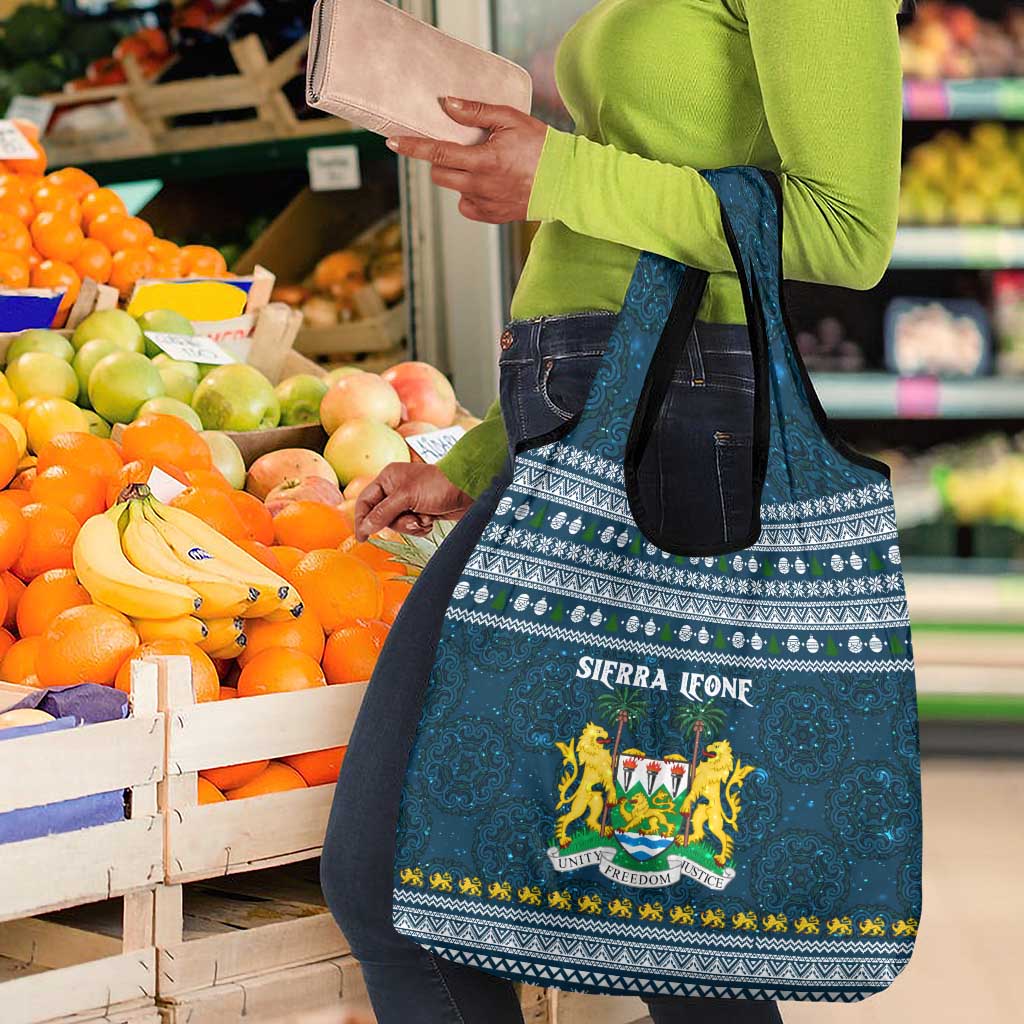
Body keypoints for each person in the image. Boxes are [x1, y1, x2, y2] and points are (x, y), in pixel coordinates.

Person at [321, 2, 906, 1021]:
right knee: (675, 925)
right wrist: (483, 454)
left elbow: (848, 232)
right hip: (596, 431)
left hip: (673, 442)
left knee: (402, 879)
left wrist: (559, 172)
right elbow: (620, 247)